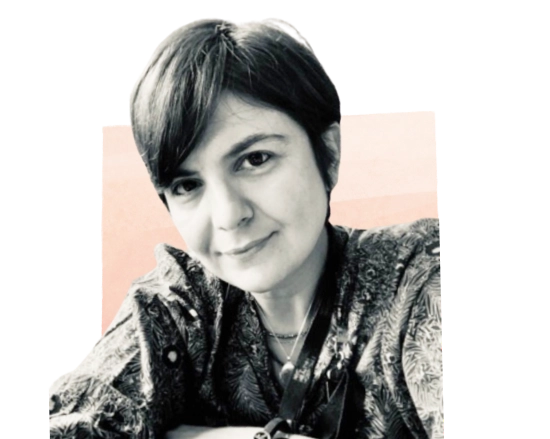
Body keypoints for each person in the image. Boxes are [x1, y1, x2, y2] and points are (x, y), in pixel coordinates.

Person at [48, 18, 442, 439]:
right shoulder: (181, 306)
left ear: (328, 152)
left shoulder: (418, 282)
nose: (227, 215)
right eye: (187, 185)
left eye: (255, 160)